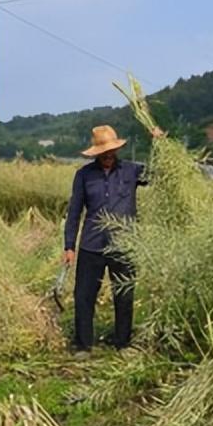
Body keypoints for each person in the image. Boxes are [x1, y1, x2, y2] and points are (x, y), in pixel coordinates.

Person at [63, 124, 158, 353]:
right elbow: (74, 211)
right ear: (96, 153)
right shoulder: (84, 175)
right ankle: (84, 346)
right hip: (91, 245)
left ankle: (122, 343)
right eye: (103, 152)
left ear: (116, 150)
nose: (107, 155)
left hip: (123, 243)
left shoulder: (131, 171)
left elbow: (157, 174)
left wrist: (158, 144)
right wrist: (69, 246)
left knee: (124, 295)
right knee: (83, 296)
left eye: (110, 151)